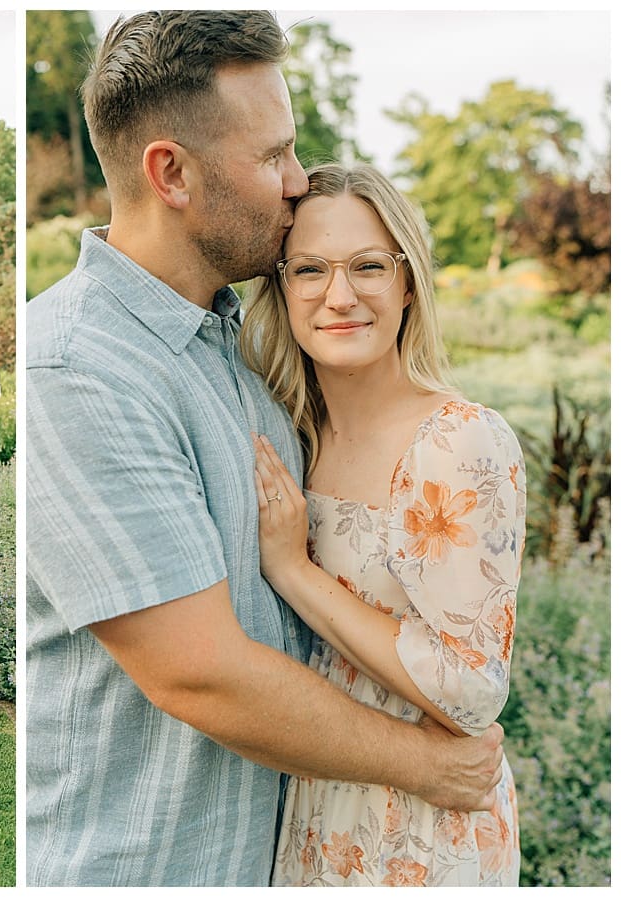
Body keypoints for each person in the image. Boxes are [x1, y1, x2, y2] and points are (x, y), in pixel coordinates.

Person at [25, 10, 505, 887]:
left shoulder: (238, 350)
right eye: (273, 155)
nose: (297, 183)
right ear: (170, 172)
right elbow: (201, 673)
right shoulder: (79, 365)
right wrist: (429, 764)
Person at [240, 162, 523, 885]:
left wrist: (294, 571)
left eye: (368, 265)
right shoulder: (294, 431)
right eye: (309, 270)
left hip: (425, 821)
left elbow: (471, 688)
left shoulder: (460, 441)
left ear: (407, 281)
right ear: (281, 287)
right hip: (318, 799)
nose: (340, 296)